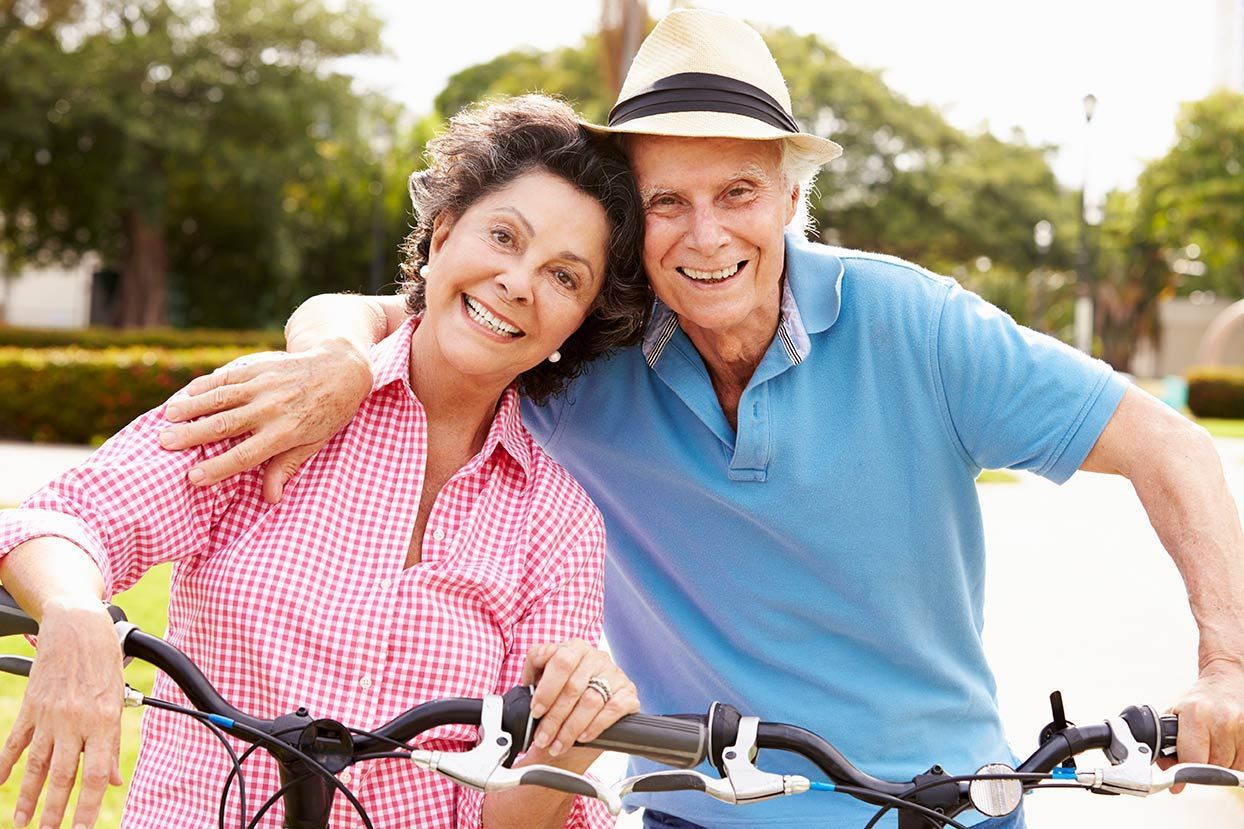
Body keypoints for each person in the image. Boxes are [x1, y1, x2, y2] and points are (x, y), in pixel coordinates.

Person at [153, 10, 1244, 829]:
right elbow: (401, 310)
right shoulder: (584, 349)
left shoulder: (913, 324)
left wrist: (1224, 667)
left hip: (934, 803)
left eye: (735, 193)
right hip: (692, 804)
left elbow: (1169, 446)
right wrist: (339, 361)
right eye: (667, 200)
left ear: (785, 196)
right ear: (633, 221)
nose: (704, 233)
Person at [0, 95, 655, 829]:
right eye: (503, 236)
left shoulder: (558, 517)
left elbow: (502, 818)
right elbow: (65, 517)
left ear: (577, 321)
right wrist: (74, 608)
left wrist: (571, 739)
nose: (519, 282)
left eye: (565, 276)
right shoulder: (287, 400)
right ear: (441, 237)